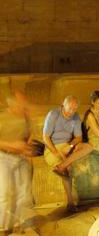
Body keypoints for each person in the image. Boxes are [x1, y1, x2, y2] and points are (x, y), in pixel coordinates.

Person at [43, 95, 93, 210]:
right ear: (63, 105)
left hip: (68, 146)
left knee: (88, 147)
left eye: (75, 109)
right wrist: (56, 152)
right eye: (70, 108)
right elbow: (45, 138)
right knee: (68, 169)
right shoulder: (53, 114)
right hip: (53, 147)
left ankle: (61, 165)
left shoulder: (75, 117)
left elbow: (79, 137)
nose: (72, 112)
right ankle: (70, 203)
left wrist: (70, 146)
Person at [0, 93, 35, 235]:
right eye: (20, 105)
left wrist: (27, 147)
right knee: (4, 194)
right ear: (12, 105)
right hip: (4, 157)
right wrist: (13, 145)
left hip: (21, 158)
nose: (23, 108)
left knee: (22, 194)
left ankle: (16, 223)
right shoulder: (2, 118)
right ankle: (2, 226)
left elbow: (31, 134)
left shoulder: (25, 117)